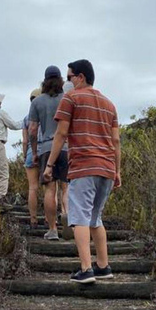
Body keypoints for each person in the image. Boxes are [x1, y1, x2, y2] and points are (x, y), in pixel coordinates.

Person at [43, 59, 120, 283]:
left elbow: (61, 133)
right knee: (96, 218)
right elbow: (115, 140)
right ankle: (103, 266)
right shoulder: (109, 104)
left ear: (81, 77)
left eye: (69, 77)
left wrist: (50, 165)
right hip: (106, 167)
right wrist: (118, 171)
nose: (67, 82)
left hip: (84, 166)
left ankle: (86, 269)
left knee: (80, 218)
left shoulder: (71, 98)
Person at [29, 65, 68, 241]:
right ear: (60, 80)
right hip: (66, 147)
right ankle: (66, 215)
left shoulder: (37, 102)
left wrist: (35, 151)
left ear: (44, 81)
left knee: (50, 189)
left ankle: (52, 229)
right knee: (66, 187)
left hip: (46, 148)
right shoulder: (67, 99)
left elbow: (32, 130)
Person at [22, 88, 42, 227]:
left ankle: (33, 219)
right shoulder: (49, 115)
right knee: (51, 189)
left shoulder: (26, 118)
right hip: (47, 151)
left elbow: (24, 141)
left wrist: (25, 155)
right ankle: (51, 220)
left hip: (31, 152)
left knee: (33, 187)